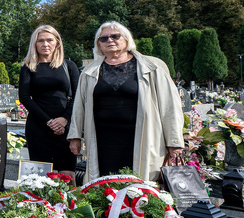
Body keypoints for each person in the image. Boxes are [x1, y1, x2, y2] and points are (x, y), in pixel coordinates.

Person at [68, 22, 184, 182]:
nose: (109, 40)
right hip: (103, 139)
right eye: (103, 38)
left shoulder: (153, 66)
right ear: (98, 44)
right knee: (105, 182)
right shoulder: (89, 71)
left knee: (139, 185)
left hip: (142, 135)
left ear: (127, 39)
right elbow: (79, 107)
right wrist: (75, 136)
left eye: (115, 36)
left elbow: (169, 105)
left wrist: (174, 141)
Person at [19, 26, 81, 179]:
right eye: (40, 40)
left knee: (67, 175)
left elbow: (78, 96)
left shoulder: (69, 66)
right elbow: (25, 98)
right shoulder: (28, 67)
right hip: (39, 126)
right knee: (41, 177)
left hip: (65, 127)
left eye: (49, 40)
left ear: (57, 42)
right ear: (34, 44)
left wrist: (64, 119)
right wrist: (49, 122)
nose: (45, 44)